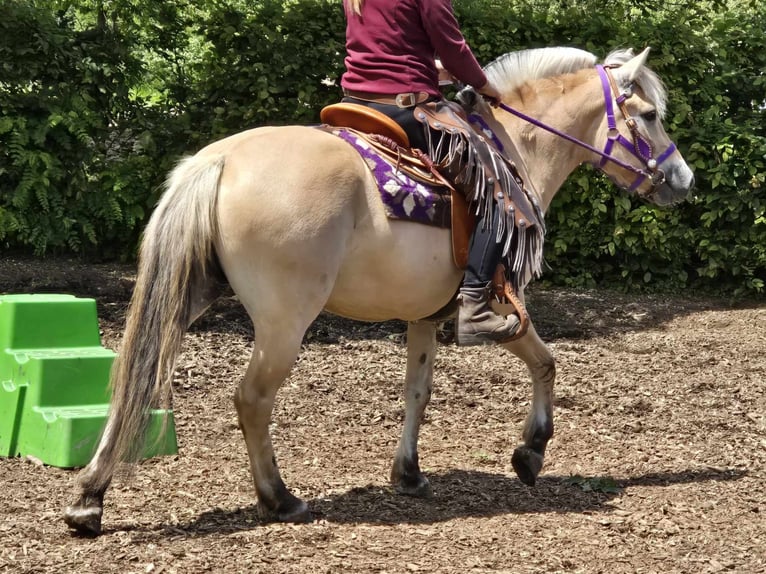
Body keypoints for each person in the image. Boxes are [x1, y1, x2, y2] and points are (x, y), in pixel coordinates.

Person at [341, 0, 521, 346]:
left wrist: (431, 68)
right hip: (404, 109)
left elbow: (384, 45)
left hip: (353, 103)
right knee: (502, 190)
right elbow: (453, 46)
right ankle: (474, 306)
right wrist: (486, 85)